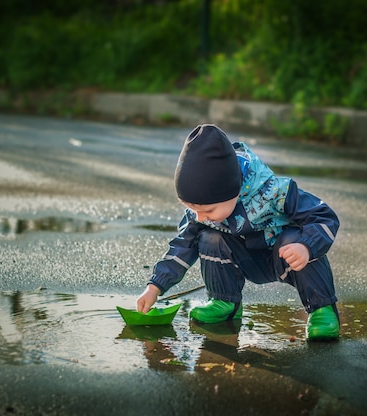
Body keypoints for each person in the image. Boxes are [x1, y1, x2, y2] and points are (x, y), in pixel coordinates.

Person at [136, 124, 340, 341]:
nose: (200, 217)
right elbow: (182, 245)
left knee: (298, 238)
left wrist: (306, 246)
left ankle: (321, 309)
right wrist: (154, 287)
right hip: (245, 259)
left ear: (232, 191)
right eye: (193, 210)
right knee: (209, 237)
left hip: (288, 256)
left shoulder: (275, 192)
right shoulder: (202, 211)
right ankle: (225, 302)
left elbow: (324, 217)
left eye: (208, 210)